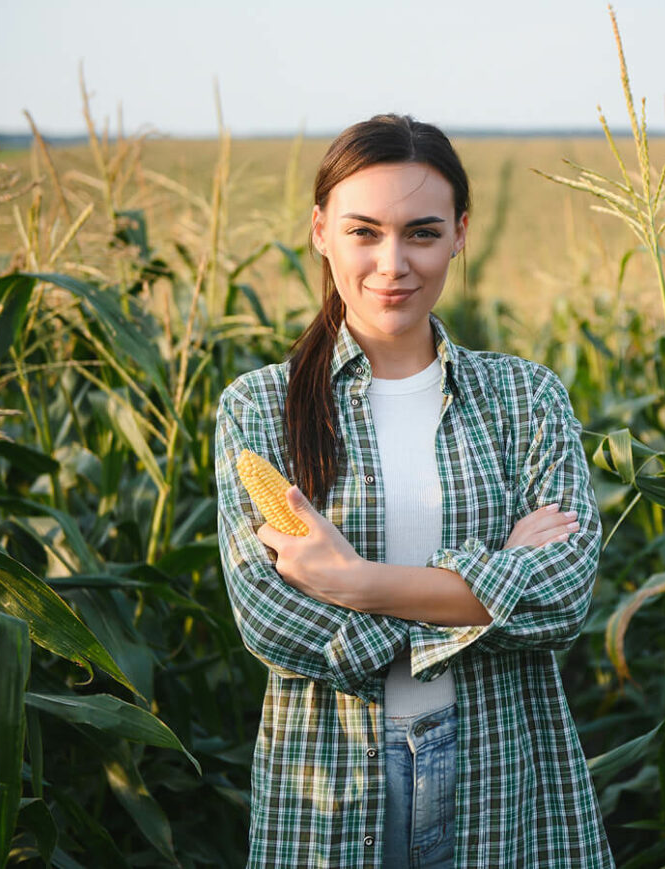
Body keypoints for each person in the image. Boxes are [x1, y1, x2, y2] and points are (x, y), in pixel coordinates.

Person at [215, 113, 615, 868]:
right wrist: (491, 587)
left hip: (501, 775)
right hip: (329, 786)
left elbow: (563, 594)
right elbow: (272, 620)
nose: (391, 263)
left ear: (461, 233)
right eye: (364, 231)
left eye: (422, 233)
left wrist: (356, 581)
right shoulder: (258, 406)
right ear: (320, 230)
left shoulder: (525, 396)